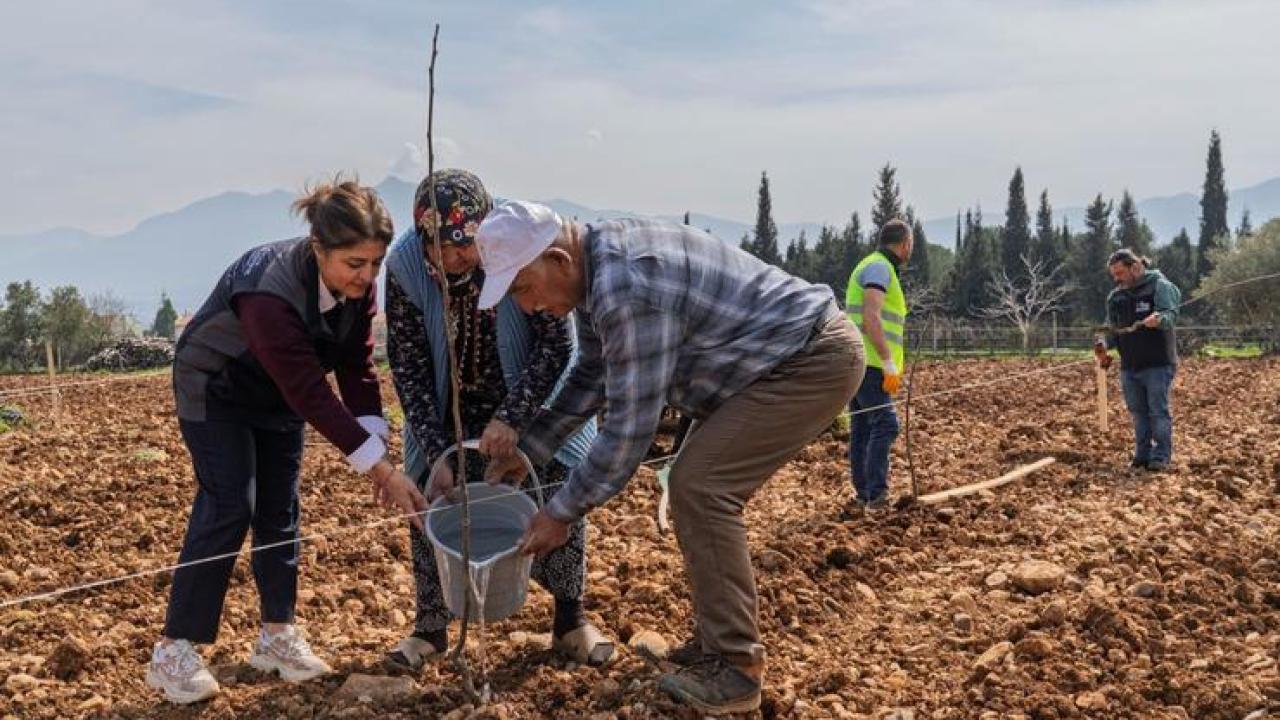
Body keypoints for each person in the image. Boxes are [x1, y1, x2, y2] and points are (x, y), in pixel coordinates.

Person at [475, 201, 865, 715]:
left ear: (558, 260)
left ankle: (736, 671)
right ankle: (714, 651)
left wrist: (560, 512)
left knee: (699, 488)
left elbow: (629, 431)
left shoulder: (627, 288)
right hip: (763, 366)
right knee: (693, 485)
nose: (527, 307)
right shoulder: (597, 272)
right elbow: (593, 375)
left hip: (808, 360)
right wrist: (530, 450)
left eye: (524, 288)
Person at [147, 177, 427, 705]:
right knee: (231, 503)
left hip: (276, 394)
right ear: (318, 247)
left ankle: (277, 637)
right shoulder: (268, 292)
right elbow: (308, 392)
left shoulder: (356, 290)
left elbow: (355, 364)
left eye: (375, 263)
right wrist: (382, 472)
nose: (366, 277)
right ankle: (172, 651)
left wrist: (377, 443)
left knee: (280, 508)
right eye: (354, 264)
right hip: (217, 388)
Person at [381, 170, 613, 669]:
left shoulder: (512, 241)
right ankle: (430, 629)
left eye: (470, 246)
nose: (465, 257)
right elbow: (408, 364)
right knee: (432, 494)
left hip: (531, 394)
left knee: (555, 481)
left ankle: (570, 619)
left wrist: (512, 417)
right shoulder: (404, 268)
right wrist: (433, 442)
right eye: (451, 249)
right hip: (447, 404)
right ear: (426, 239)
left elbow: (559, 343)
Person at [844, 219, 913, 510]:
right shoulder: (879, 269)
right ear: (905, 244)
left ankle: (863, 495)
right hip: (870, 362)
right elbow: (872, 317)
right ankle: (876, 495)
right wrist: (887, 362)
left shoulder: (871, 265)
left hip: (857, 360)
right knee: (885, 424)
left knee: (862, 425)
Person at [1094, 249, 1182, 472]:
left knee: (1157, 411)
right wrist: (1103, 344)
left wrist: (1160, 319)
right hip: (1130, 365)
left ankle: (1161, 456)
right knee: (1137, 411)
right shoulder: (1116, 297)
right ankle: (1142, 455)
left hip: (1158, 362)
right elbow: (1111, 329)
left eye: (1120, 273)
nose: (1117, 278)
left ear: (1135, 267)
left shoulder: (1159, 286)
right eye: (1114, 274)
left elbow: (1171, 315)